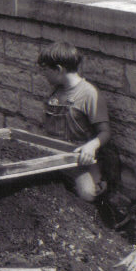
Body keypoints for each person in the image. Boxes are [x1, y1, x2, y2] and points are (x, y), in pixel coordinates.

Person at [38, 41, 112, 202]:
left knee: (89, 194)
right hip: (54, 156)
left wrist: (91, 146)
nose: (43, 75)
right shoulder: (55, 92)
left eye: (45, 70)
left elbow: (105, 132)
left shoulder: (89, 94)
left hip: (80, 161)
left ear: (58, 69)